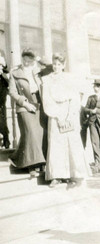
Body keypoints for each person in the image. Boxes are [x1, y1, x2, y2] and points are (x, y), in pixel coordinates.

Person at [41, 53, 92, 188]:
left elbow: (75, 98)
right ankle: (56, 176)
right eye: (55, 64)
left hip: (69, 112)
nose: (56, 67)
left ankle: (74, 174)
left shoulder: (69, 79)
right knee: (56, 144)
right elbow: (46, 100)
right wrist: (58, 117)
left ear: (63, 65)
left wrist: (69, 115)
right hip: (55, 114)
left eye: (59, 64)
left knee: (72, 143)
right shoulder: (46, 80)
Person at [8, 48, 45, 178]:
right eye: (25, 58)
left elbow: (51, 66)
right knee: (31, 133)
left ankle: (31, 161)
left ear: (33, 60)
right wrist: (25, 103)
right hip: (24, 105)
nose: (26, 61)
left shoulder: (38, 71)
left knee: (38, 134)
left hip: (38, 105)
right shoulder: (15, 72)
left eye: (30, 59)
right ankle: (32, 166)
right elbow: (12, 92)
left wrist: (40, 59)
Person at [82, 79, 100, 172]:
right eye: (94, 86)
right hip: (92, 123)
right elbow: (85, 109)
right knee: (95, 143)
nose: (94, 88)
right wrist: (91, 111)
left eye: (96, 86)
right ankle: (97, 164)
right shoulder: (91, 98)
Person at [0, 51, 10, 149]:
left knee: (2, 116)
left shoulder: (2, 52)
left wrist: (3, 65)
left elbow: (7, 69)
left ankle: (6, 140)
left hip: (1, 85)